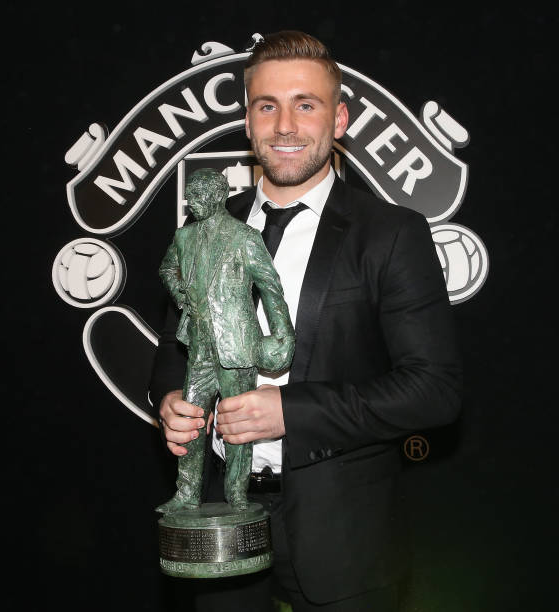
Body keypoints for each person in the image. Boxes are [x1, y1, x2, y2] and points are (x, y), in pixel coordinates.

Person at [150, 30, 462, 612]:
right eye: (268, 105)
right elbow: (173, 345)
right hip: (219, 519)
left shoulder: (391, 233)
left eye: (306, 104)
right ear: (247, 121)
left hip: (347, 535)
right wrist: (169, 397)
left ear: (339, 119)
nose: (285, 125)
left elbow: (434, 391)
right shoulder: (202, 231)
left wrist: (290, 412)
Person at [156, 167, 295, 514]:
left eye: (200, 195)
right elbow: (166, 268)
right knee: (190, 423)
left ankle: (237, 496)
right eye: (190, 195)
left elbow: (271, 288)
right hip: (199, 347)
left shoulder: (245, 237)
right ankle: (187, 494)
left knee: (238, 429)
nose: (193, 201)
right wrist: (179, 292)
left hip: (237, 346)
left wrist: (282, 335)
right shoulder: (184, 237)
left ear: (219, 196)